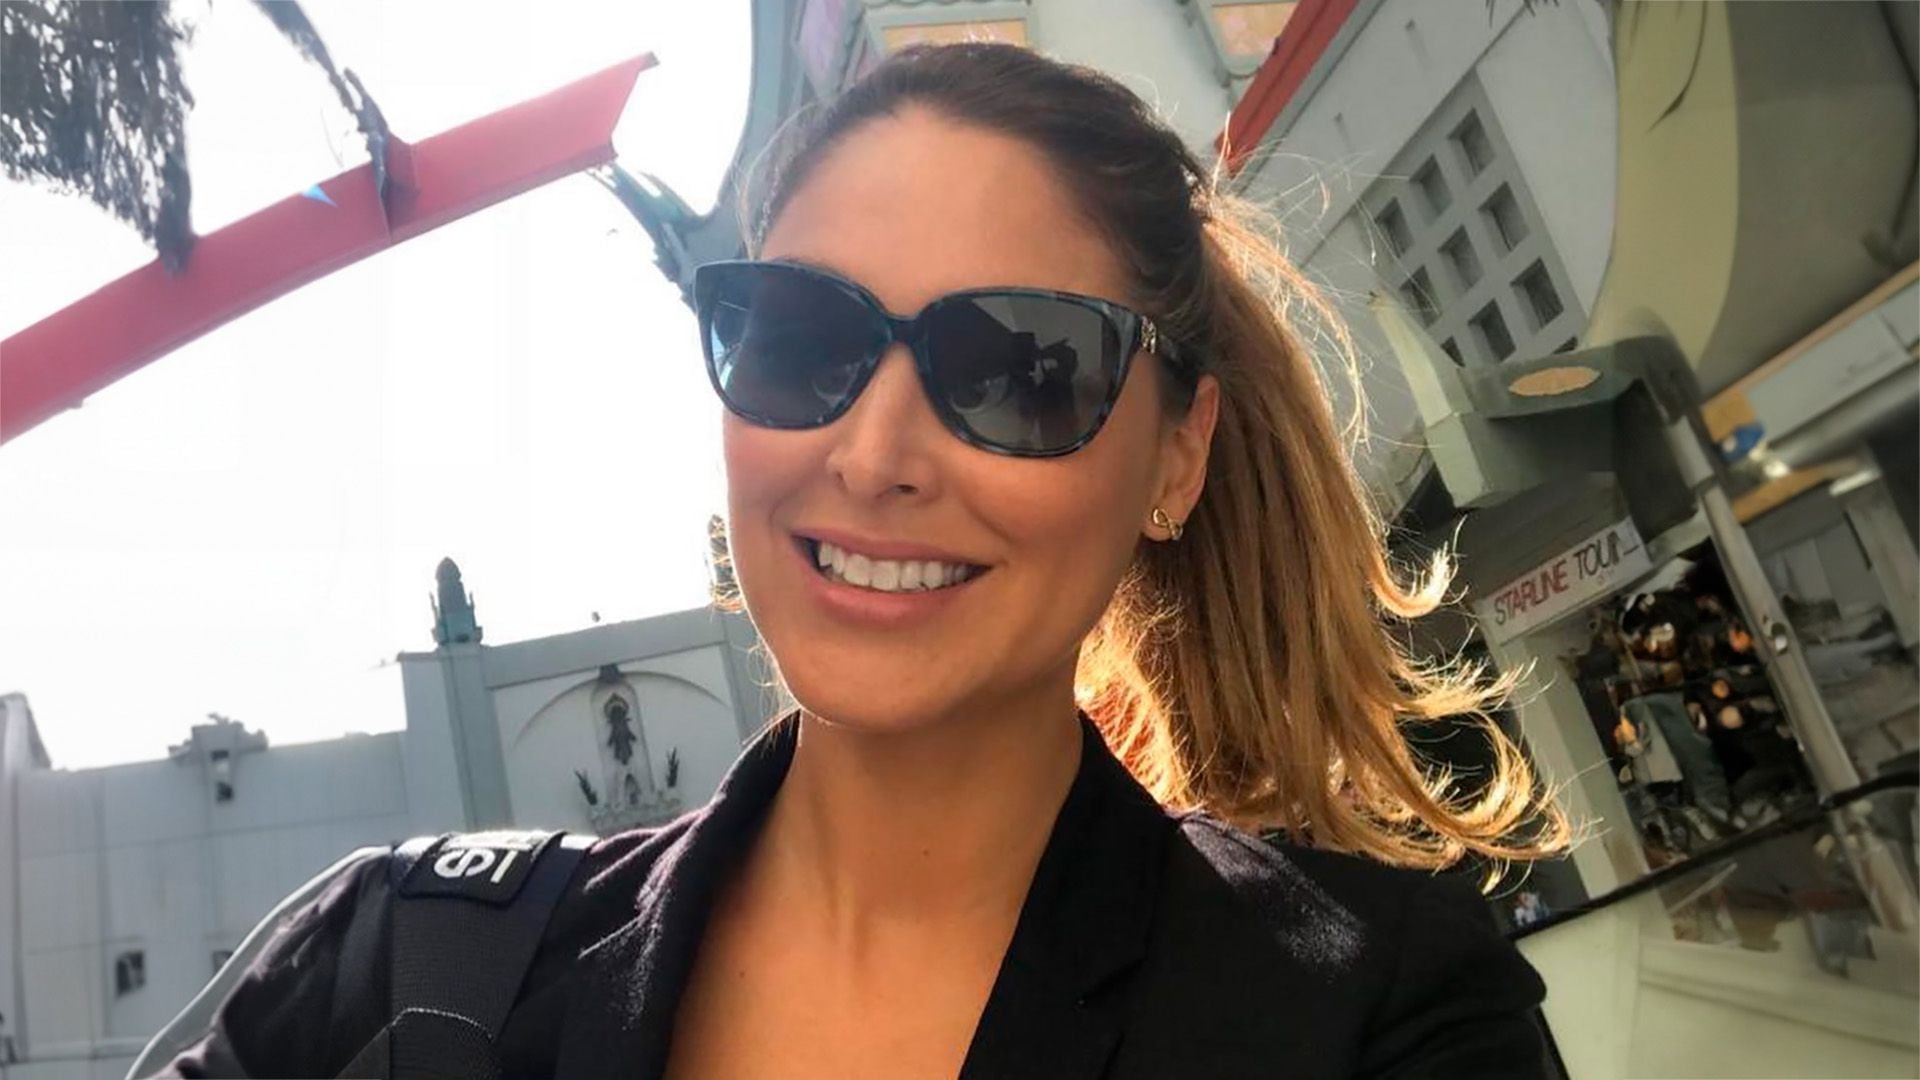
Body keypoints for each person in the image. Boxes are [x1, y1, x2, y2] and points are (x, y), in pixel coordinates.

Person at [147, 42, 1570, 1079]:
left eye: (1018, 369)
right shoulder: (400, 977)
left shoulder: (1372, 1020)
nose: (875, 451)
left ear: (1176, 458)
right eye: (803, 339)